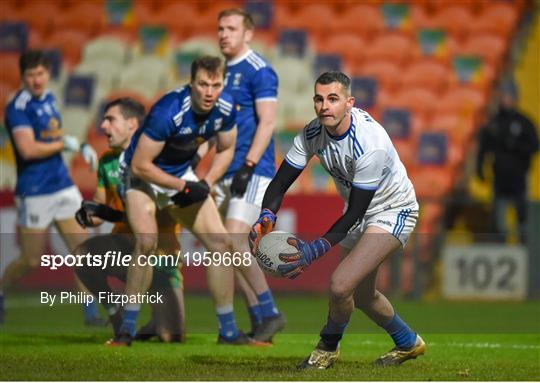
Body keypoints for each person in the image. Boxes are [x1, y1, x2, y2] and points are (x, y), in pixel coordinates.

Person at [250, 72, 426, 368]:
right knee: (362, 294)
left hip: (394, 209)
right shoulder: (311, 133)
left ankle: (327, 348)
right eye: (319, 99)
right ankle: (409, 342)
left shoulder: (370, 143)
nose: (324, 106)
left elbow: (356, 212)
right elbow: (280, 183)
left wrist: (314, 250)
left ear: (349, 103)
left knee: (340, 285)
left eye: (333, 99)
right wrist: (266, 215)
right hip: (358, 211)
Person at [117, 55, 264, 346]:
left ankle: (228, 332)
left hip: (179, 174)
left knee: (221, 244)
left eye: (216, 84)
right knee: (147, 242)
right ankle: (126, 331)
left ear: (223, 83)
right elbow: (140, 165)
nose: (209, 91)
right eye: (203, 84)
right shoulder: (168, 110)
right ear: (191, 83)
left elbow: (226, 148)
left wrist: (206, 182)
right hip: (141, 178)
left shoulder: (225, 108)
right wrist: (185, 186)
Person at [1, 50, 104, 326]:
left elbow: (54, 138)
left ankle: (91, 315)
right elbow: (28, 148)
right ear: (23, 76)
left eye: (41, 73)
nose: (37, 80)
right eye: (31, 74)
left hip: (62, 185)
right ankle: (0, 293)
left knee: (84, 251)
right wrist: (66, 144)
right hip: (35, 191)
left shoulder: (49, 98)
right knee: (31, 260)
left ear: (48, 74)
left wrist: (80, 145)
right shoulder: (18, 107)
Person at [72, 98, 185, 343]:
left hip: (161, 257)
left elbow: (157, 214)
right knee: (82, 254)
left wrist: (108, 214)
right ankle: (116, 313)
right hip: (124, 247)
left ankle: (157, 321)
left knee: (172, 337)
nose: (103, 126)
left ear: (132, 124)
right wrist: (89, 215)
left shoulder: (157, 159)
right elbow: (101, 206)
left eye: (110, 119)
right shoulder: (107, 162)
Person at [215, 8, 285, 342]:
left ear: (248, 34)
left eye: (231, 28)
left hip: (253, 170)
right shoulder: (218, 73)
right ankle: (260, 321)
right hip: (227, 169)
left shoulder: (259, 70)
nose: (223, 34)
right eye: (220, 28)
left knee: (233, 239)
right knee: (227, 248)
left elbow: (268, 121)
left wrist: (248, 164)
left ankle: (270, 312)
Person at [476, 78, 539, 244]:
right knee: (498, 217)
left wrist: (516, 146)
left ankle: (524, 247)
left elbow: (534, 147)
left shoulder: (524, 122)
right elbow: (484, 148)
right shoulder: (494, 123)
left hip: (519, 178)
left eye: (508, 95)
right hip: (499, 179)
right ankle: (499, 248)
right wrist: (479, 168)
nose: (505, 99)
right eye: (503, 95)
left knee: (521, 215)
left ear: (515, 97)